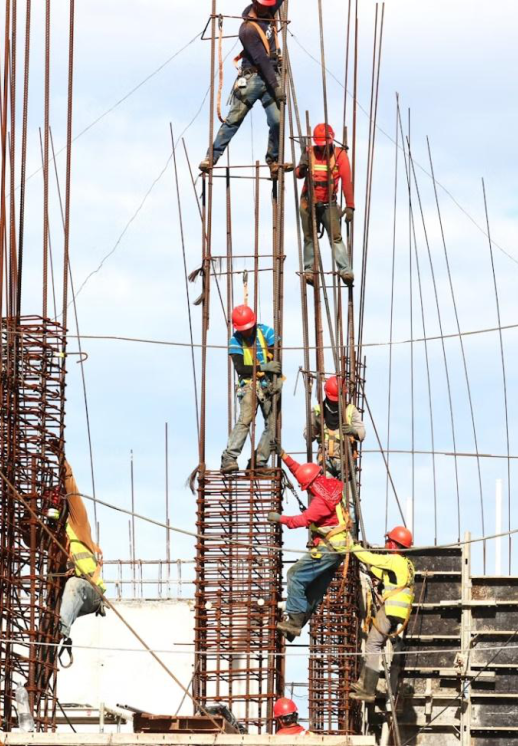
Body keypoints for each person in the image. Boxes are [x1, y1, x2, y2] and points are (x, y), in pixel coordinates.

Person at [270, 452, 351, 639]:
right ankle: (296, 624)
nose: (306, 491)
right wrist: (283, 455)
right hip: (337, 551)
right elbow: (301, 471)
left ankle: (295, 621)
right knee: (313, 591)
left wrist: (279, 518)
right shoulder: (330, 486)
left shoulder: (321, 502)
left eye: (306, 488)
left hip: (328, 549)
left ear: (310, 484)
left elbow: (302, 520)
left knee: (295, 575)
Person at [199, 0, 286, 174]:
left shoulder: (268, 10)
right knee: (234, 120)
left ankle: (273, 160)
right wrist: (276, 86)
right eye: (263, 5)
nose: (267, 8)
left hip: (271, 76)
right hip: (253, 78)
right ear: (255, 3)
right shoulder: (247, 30)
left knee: (277, 121)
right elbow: (262, 60)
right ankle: (212, 157)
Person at [349, 527, 415, 703]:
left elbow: (371, 558)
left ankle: (367, 689)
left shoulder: (393, 559)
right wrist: (369, 571)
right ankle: (365, 684)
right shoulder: (407, 564)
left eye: (388, 541)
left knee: (373, 645)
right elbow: (384, 574)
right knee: (376, 644)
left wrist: (352, 546)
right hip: (400, 612)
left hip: (391, 609)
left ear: (393, 544)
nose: (386, 544)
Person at [294, 123, 355, 286]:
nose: (323, 148)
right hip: (309, 203)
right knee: (309, 238)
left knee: (336, 238)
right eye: (320, 145)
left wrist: (350, 206)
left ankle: (345, 270)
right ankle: (309, 271)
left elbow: (347, 181)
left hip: (329, 204)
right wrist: (302, 166)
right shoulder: (309, 153)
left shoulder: (340, 155)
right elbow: (298, 175)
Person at [222, 304, 280, 472]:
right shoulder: (235, 341)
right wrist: (264, 367)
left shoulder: (266, 332)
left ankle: (259, 461)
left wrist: (277, 375)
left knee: (273, 424)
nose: (246, 332)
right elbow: (240, 368)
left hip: (267, 385)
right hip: (248, 385)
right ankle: (229, 458)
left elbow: (277, 351)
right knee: (245, 420)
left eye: (248, 328)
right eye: (243, 329)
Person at [57, 461, 106, 660]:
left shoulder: (77, 525)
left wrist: (64, 467)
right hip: (68, 598)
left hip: (91, 592)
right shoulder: (53, 537)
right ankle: (55, 632)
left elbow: (72, 494)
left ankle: (62, 628)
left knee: (74, 584)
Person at [304, 375, 365, 478]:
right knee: (326, 491)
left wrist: (353, 431)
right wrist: (315, 426)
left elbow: (362, 433)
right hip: (325, 461)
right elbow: (308, 436)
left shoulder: (350, 410)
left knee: (347, 492)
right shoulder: (317, 411)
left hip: (346, 461)